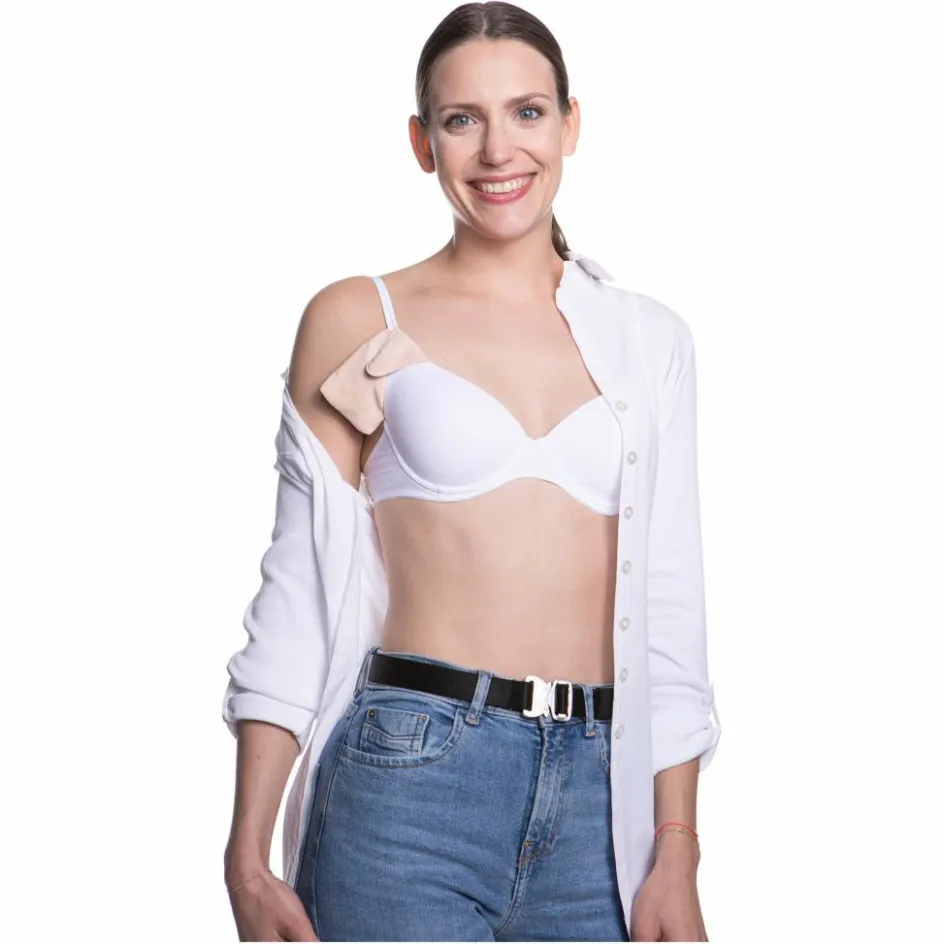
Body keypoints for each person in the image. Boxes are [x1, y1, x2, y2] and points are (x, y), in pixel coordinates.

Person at [221, 2, 721, 941]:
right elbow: (298, 589)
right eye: (463, 120)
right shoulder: (358, 316)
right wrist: (247, 852)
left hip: (602, 803)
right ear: (423, 142)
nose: (498, 150)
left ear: (570, 123)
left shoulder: (650, 341)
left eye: (527, 112)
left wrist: (678, 847)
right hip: (409, 782)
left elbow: (670, 605)